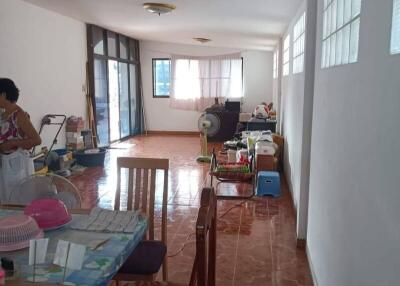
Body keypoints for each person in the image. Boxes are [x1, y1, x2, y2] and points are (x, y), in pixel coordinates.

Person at [0, 78, 41, 203]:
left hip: (18, 164)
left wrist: (12, 143)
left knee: (19, 201)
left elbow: (36, 140)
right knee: (7, 199)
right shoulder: (3, 114)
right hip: (5, 164)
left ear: (3, 94)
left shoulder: (19, 115)